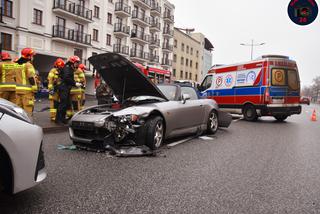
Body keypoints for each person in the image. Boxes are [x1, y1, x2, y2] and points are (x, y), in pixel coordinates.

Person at [55, 55, 82, 124]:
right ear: (72, 62)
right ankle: (58, 120)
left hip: (66, 88)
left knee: (65, 104)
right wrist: (75, 83)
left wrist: (75, 83)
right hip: (63, 88)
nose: (77, 64)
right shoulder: (67, 68)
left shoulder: (69, 68)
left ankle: (63, 119)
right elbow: (66, 78)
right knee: (62, 104)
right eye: (77, 62)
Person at [15, 48, 37, 117]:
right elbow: (31, 77)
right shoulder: (28, 65)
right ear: (29, 56)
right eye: (32, 55)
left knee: (19, 109)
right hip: (27, 92)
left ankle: (19, 123)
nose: (32, 57)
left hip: (17, 90)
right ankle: (28, 124)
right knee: (28, 108)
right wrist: (34, 87)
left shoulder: (16, 64)